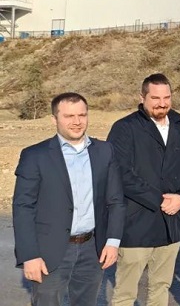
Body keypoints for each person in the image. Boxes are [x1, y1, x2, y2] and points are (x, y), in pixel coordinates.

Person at [13, 93, 125, 306]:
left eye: (82, 115)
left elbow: (116, 200)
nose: (77, 121)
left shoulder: (104, 151)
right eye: (69, 116)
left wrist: (112, 241)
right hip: (49, 251)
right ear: (54, 119)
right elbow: (23, 208)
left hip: (92, 249)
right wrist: (29, 255)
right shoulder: (35, 156)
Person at [108, 73, 180, 306]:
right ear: (142, 97)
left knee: (160, 287)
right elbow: (121, 173)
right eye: (155, 98)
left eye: (166, 97)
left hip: (171, 224)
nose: (162, 103)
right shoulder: (125, 128)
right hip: (137, 224)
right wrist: (160, 200)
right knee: (125, 293)